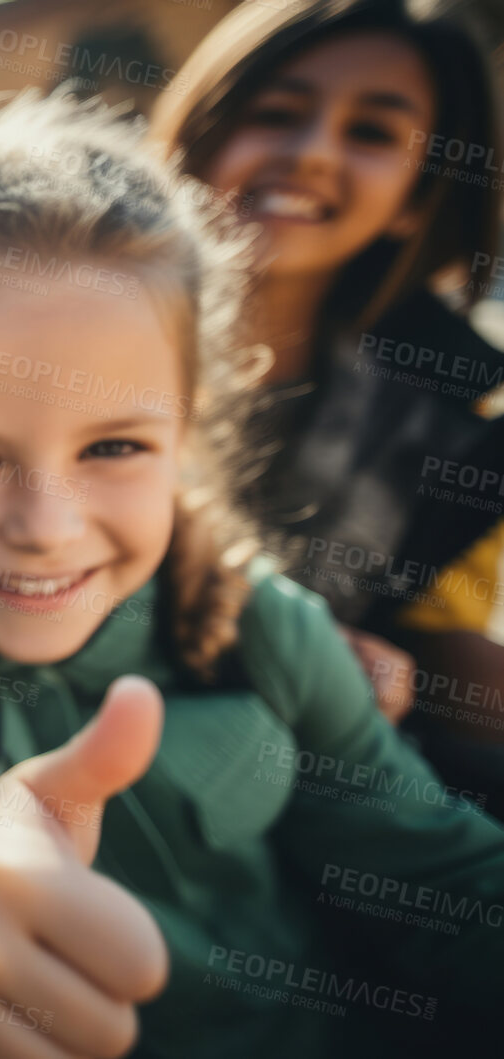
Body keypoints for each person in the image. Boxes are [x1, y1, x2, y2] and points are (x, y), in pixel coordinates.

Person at [0, 91, 504, 1059]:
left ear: (184, 432)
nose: (45, 526)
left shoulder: (264, 629)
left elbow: (438, 879)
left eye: (112, 446)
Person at [150, 0, 504, 747]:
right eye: (276, 112)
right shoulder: (52, 329)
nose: (312, 153)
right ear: (199, 128)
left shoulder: (454, 431)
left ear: (415, 198)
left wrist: (376, 670)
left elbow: (443, 657)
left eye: (371, 132)